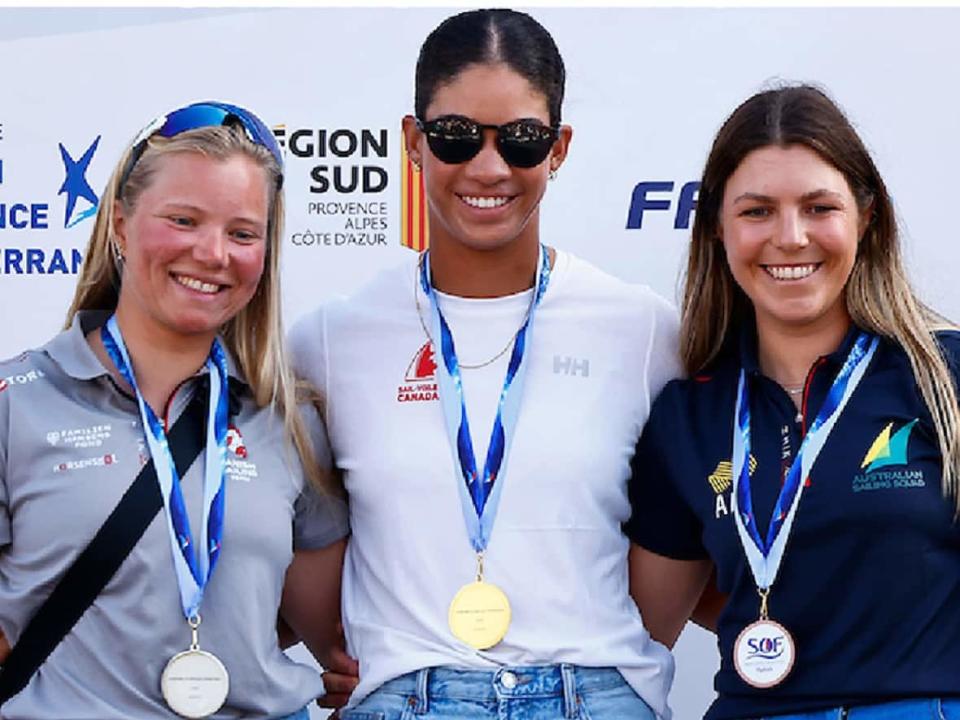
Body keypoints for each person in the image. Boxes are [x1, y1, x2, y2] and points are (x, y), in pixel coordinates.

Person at [289, 8, 682, 720]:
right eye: (456, 136)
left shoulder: (644, 330)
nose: (489, 167)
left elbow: (692, 529)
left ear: (558, 148)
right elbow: (296, 533)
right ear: (413, 142)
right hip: (406, 695)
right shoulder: (327, 339)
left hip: (593, 693)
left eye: (523, 141)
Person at [0, 101, 348, 719]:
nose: (213, 253)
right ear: (121, 225)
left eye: (242, 233)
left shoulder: (289, 418)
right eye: (183, 220)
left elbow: (338, 643)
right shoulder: (16, 402)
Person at [625, 84, 960, 720]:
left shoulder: (946, 377)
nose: (791, 237)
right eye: (756, 211)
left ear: (866, 218)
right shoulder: (688, 417)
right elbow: (636, 632)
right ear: (717, 228)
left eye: (818, 207)